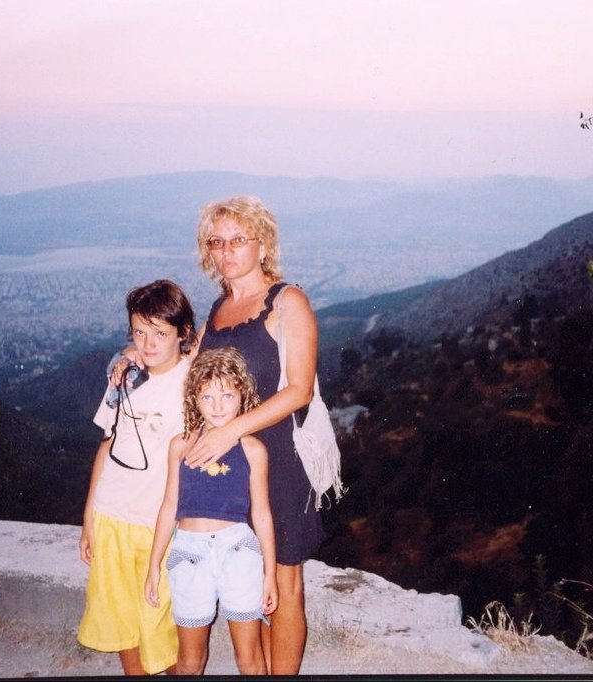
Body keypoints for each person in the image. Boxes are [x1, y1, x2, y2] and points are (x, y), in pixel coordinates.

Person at [188, 195, 324, 674]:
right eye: (217, 242)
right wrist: (131, 355)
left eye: (238, 240)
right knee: (250, 578)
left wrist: (231, 431)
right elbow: (189, 369)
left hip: (280, 461)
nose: (226, 251)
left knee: (283, 581)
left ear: (262, 245)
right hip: (232, 467)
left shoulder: (287, 302)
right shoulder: (218, 309)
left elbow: (299, 390)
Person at [77, 279, 196, 676]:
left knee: (164, 625)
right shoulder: (124, 379)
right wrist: (89, 518)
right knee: (121, 618)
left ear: (182, 332)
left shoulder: (194, 383)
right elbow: (106, 446)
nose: (148, 344)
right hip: (112, 514)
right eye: (139, 333)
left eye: (160, 333)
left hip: (161, 524)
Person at [146, 347, 277, 675]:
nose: (218, 406)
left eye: (227, 396)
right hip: (189, 554)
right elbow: (169, 506)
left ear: (242, 395)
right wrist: (153, 565)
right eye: (207, 397)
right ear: (194, 398)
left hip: (239, 552)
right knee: (190, 660)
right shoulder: (181, 445)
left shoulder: (253, 449)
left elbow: (262, 514)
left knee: (249, 658)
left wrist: (270, 574)